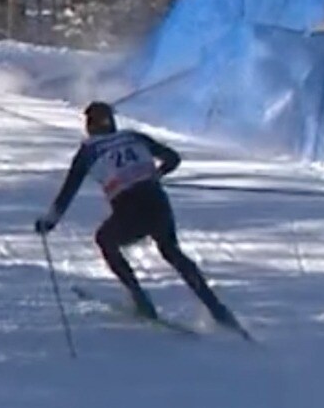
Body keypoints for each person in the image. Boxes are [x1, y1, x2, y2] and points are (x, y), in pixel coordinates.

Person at [33, 101, 244, 333]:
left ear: (89, 125)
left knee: (105, 239)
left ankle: (140, 300)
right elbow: (173, 158)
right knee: (171, 250)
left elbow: (67, 193)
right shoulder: (133, 137)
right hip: (157, 200)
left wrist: (49, 222)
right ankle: (219, 311)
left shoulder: (88, 151)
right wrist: (157, 174)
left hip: (128, 207)